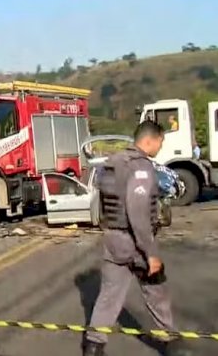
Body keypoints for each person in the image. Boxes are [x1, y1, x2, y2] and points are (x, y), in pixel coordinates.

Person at [83, 121, 191, 356]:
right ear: (149, 140)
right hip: (134, 241)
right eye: (160, 142)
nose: (160, 148)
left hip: (112, 238)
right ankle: (172, 341)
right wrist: (150, 253)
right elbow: (138, 212)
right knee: (155, 289)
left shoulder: (112, 163)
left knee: (109, 295)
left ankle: (93, 345)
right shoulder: (140, 167)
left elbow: (103, 203)